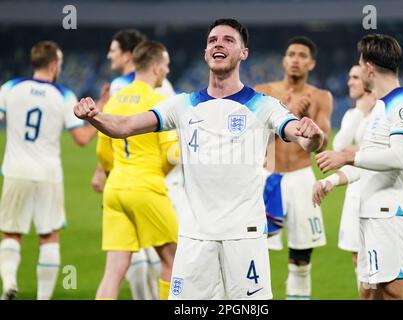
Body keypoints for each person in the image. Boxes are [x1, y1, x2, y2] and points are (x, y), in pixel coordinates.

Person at [74, 18, 325, 300]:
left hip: (244, 235)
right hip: (195, 237)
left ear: (244, 53)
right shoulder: (182, 105)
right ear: (206, 53)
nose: (219, 44)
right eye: (212, 40)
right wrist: (94, 117)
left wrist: (312, 136)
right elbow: (125, 126)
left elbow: (303, 137)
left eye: (228, 40)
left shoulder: (263, 105)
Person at [312, 34, 403, 300]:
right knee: (369, 294)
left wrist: (348, 156)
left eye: (360, 62)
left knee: (398, 294)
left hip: (393, 215)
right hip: (373, 216)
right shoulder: (380, 108)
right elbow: (370, 163)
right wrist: (331, 180)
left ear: (369, 67)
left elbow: (398, 157)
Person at [0, 40, 97, 300]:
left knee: (11, 232)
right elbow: (82, 139)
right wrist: (103, 110)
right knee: (49, 236)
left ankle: (8, 284)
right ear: (54, 63)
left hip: (15, 170)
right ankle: (43, 298)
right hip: (48, 174)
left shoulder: (10, 88)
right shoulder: (63, 95)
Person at [92, 29, 177, 300]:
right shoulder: (159, 103)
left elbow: (103, 152)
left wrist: (112, 174)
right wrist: (158, 174)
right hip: (146, 185)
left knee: (114, 270)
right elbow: (172, 154)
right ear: (155, 66)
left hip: (115, 187)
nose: (167, 70)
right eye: (165, 65)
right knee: (174, 261)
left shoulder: (115, 100)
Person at [254, 36, 333, 300]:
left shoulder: (320, 97)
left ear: (311, 63)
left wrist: (304, 121)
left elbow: (322, 145)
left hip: (301, 178)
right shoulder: (263, 90)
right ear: (284, 60)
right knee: (253, 252)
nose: (295, 59)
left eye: (302, 55)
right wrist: (286, 113)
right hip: (267, 177)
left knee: (301, 258)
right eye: (291, 54)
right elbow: (251, 139)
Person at [332, 64, 376, 292]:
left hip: (376, 195)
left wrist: (356, 151)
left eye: (355, 77)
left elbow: (376, 151)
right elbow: (339, 146)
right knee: (358, 261)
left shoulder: (381, 113)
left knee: (377, 267)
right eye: (349, 76)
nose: (349, 81)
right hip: (353, 194)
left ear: (369, 80)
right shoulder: (352, 114)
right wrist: (359, 111)